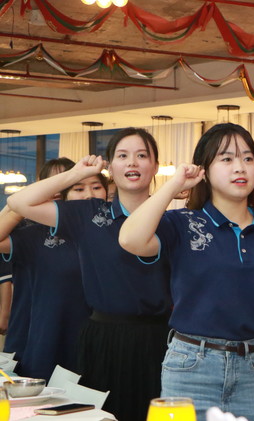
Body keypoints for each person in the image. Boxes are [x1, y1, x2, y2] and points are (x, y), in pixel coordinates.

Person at [119, 123, 254, 421]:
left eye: (247, 158)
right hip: (192, 367)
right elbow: (130, 239)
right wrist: (173, 185)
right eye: (226, 159)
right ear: (204, 169)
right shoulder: (183, 222)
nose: (239, 167)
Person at [7, 128, 172, 421]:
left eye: (142, 155)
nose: (132, 162)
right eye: (122, 156)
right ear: (111, 167)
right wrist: (75, 174)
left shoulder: (172, 220)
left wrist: (173, 190)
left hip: (160, 340)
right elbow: (20, 202)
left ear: (155, 166)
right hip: (102, 339)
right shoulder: (89, 214)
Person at [0, 158, 107, 380]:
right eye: (78, 187)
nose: (88, 195)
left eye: (96, 187)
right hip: (42, 341)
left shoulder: (106, 229)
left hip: (95, 340)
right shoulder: (36, 234)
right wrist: (27, 205)